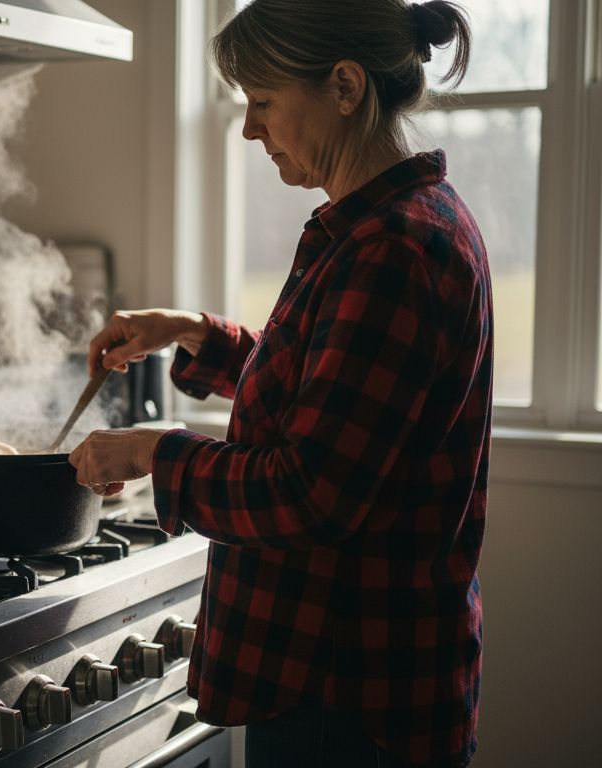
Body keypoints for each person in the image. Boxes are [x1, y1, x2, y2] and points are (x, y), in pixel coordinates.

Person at [68, 2, 487, 766]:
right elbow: (330, 391)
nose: (249, 129)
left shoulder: (393, 248)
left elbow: (307, 492)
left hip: (349, 694)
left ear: (346, 88)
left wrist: (151, 455)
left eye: (262, 102)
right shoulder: (384, 224)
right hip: (356, 678)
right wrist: (191, 332)